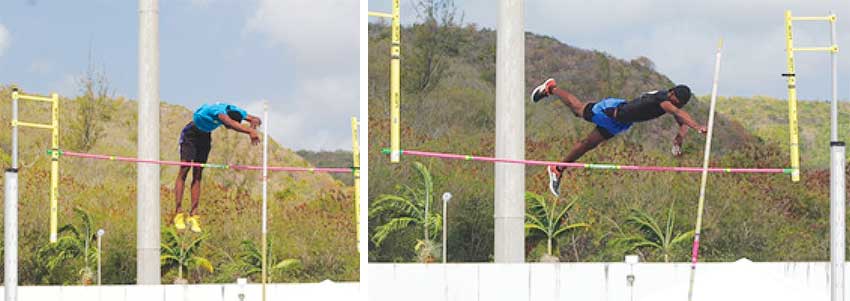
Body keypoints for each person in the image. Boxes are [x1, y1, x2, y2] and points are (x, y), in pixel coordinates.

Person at [530, 78, 707, 197]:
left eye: (680, 104)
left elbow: (681, 119)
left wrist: (679, 138)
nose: (677, 105)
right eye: (677, 101)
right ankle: (551, 88)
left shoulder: (671, 103)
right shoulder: (662, 98)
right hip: (613, 112)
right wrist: (697, 126)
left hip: (621, 122)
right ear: (672, 94)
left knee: (588, 144)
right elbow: (677, 112)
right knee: (578, 110)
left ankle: (558, 168)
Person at [173, 102, 262, 232]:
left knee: (198, 174)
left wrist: (253, 125)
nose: (228, 128)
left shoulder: (238, 111)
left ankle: (194, 215)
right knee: (184, 170)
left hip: (205, 136)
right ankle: (179, 212)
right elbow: (230, 123)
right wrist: (249, 131)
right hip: (191, 133)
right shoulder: (219, 112)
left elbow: (256, 119)